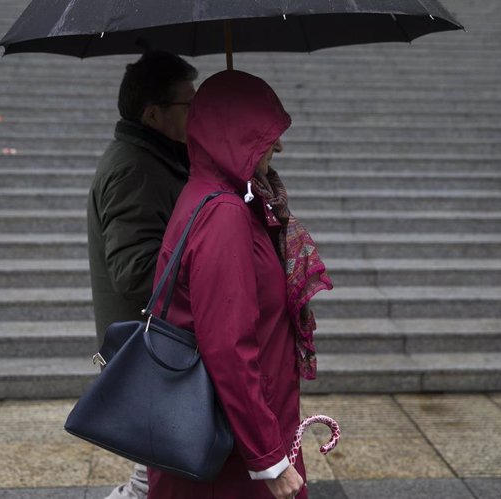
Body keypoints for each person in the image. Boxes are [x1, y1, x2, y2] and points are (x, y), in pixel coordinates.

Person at [148, 70, 332, 499]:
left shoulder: (217, 196)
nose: (279, 145)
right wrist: (268, 459)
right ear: (235, 135)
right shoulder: (225, 215)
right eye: (264, 133)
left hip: (234, 436)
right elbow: (228, 347)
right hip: (234, 453)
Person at [87, 50, 198, 499]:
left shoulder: (159, 158)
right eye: (189, 105)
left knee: (158, 470)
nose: (200, 113)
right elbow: (134, 272)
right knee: (150, 479)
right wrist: (210, 261)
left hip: (157, 344)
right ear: (153, 114)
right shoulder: (135, 169)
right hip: (149, 349)